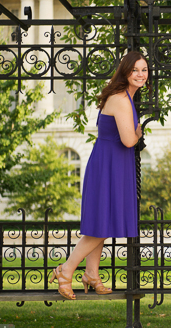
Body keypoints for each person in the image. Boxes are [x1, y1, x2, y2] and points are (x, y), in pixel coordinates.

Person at [50, 50, 147, 300]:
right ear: (125, 71)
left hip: (111, 164)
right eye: (135, 69)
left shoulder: (122, 96)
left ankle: (91, 274)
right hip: (109, 165)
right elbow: (128, 140)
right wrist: (138, 133)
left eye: (144, 70)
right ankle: (66, 270)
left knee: (102, 222)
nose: (140, 74)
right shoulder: (121, 99)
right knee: (99, 225)